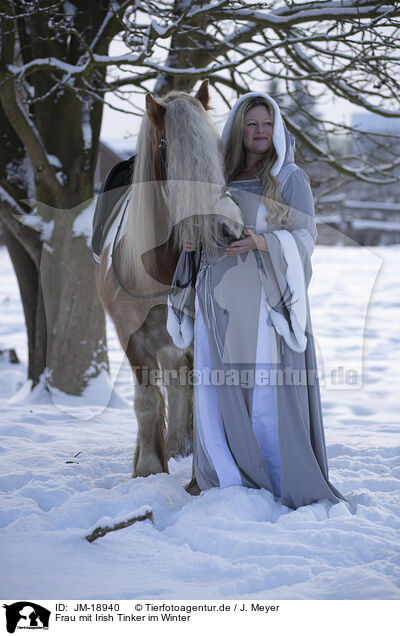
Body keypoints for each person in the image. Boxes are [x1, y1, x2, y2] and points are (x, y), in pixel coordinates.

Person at [168, 91, 347, 510]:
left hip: (269, 304)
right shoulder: (217, 178)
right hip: (223, 303)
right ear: (238, 129)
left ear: (277, 127)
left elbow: (306, 239)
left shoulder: (290, 178)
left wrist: (262, 241)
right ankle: (231, 473)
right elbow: (200, 227)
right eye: (251, 124)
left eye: (266, 123)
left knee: (268, 390)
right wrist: (191, 240)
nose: (260, 131)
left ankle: (276, 474)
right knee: (222, 389)